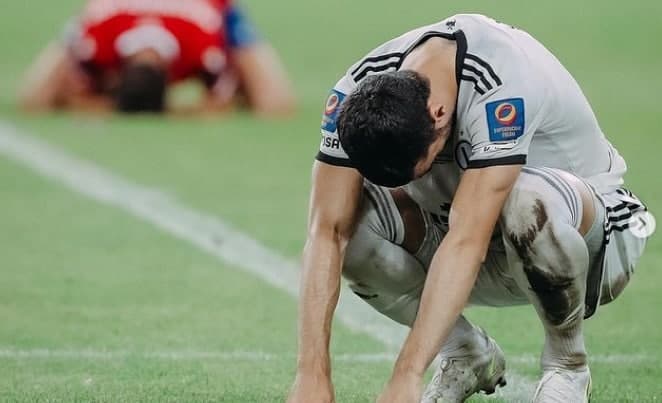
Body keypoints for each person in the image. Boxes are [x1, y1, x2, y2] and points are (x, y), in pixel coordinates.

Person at [288, 14, 652, 403]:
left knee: (526, 200)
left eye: (421, 166)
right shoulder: (354, 95)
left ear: (438, 113)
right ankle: (466, 355)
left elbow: (467, 241)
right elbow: (326, 232)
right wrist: (312, 374)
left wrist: (407, 374)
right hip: (466, 236)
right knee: (348, 224)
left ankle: (568, 366)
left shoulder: (502, 83)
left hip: (593, 245)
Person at [19, 0, 295, 116]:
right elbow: (218, 102)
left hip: (210, 11)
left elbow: (36, 99)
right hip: (194, 13)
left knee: (272, 102)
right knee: (270, 102)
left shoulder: (97, 37)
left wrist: (95, 104)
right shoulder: (98, 31)